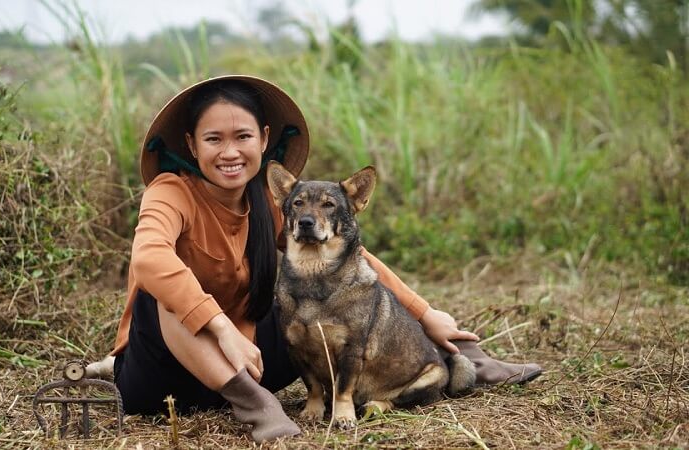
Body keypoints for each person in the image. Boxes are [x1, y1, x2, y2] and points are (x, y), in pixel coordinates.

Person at [108, 75, 542, 443]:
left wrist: (426, 313)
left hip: (250, 358)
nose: (230, 152)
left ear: (263, 139)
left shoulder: (273, 201)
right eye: (213, 139)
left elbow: (354, 258)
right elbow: (148, 259)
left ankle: (470, 360)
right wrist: (221, 328)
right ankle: (257, 408)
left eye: (242, 137)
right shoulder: (171, 191)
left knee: (337, 302)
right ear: (192, 143)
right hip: (164, 376)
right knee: (162, 298)